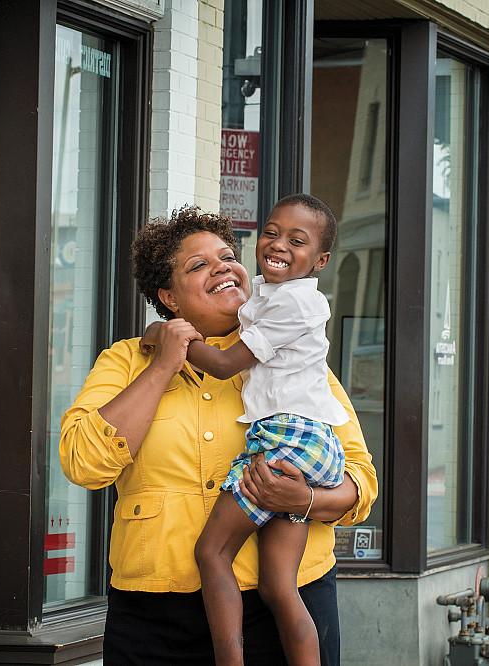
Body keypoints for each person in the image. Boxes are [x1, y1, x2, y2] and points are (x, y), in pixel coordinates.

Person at [59, 205, 377, 665]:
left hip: (279, 608)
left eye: (227, 256)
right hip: (155, 618)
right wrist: (166, 362)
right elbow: (83, 462)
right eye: (199, 264)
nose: (223, 268)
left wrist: (304, 501)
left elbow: (360, 482)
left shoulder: (293, 360)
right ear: (168, 296)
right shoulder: (127, 361)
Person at [141, 194, 345, 666]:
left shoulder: (295, 303)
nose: (277, 245)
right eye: (271, 232)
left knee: (213, 555)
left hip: (287, 440)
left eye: (297, 240)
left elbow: (226, 363)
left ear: (320, 260)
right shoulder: (270, 295)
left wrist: (167, 335)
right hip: (306, 441)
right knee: (279, 587)